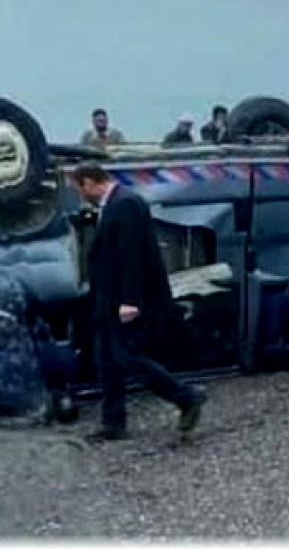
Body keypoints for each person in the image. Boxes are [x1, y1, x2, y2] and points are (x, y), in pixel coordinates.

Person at [70, 163, 207, 442]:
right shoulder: (114, 205)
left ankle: (186, 396)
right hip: (108, 299)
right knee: (106, 360)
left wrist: (130, 300)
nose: (81, 195)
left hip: (123, 300)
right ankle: (113, 423)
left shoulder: (126, 204)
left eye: (80, 188)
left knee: (127, 357)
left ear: (89, 182)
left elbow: (132, 256)